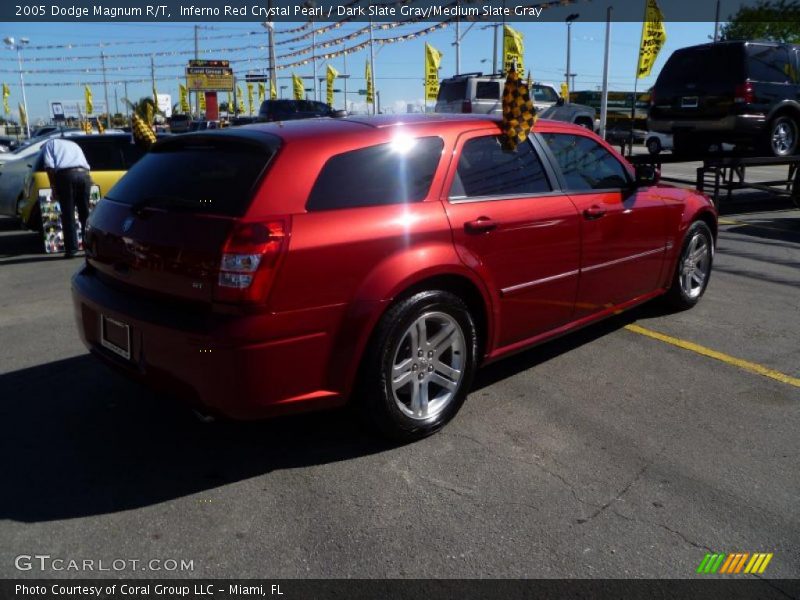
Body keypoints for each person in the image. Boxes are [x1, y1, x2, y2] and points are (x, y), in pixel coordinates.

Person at [42, 137, 91, 258]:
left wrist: (53, 186)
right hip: (84, 175)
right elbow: (86, 165)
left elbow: (49, 167)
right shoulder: (74, 144)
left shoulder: (49, 144)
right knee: (85, 214)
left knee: (68, 214)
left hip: (66, 176)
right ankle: (90, 247)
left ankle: (72, 249)